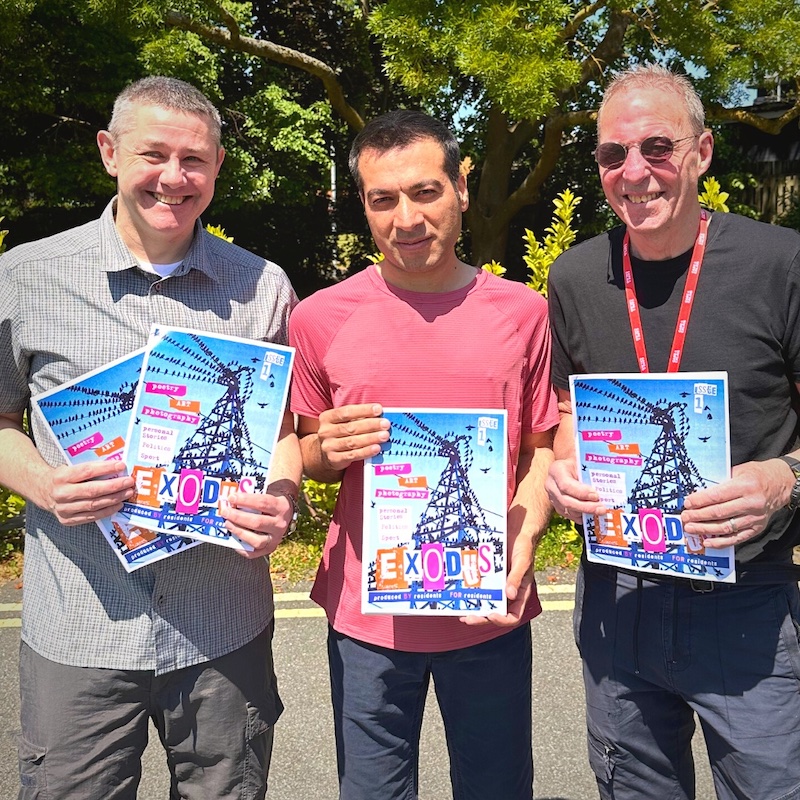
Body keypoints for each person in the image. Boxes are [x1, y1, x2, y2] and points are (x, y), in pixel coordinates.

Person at [0, 76, 301, 799]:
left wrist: (282, 501)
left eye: (193, 159)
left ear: (218, 166)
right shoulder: (25, 278)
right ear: (109, 152)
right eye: (153, 154)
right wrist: (43, 484)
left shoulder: (263, 287)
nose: (173, 177)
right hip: (81, 624)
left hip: (222, 623)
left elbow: (286, 430)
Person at [546, 64, 800, 800]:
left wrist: (784, 478)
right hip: (617, 597)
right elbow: (570, 413)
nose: (634, 172)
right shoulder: (574, 277)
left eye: (657, 147)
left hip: (746, 595)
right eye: (612, 154)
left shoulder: (781, 264)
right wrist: (564, 469)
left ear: (703, 152)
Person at [288, 109, 559, 800]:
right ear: (364, 207)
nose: (405, 218)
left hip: (489, 607)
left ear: (461, 189)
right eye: (383, 199)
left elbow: (541, 447)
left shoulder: (525, 313)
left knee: (497, 789)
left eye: (425, 192)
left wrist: (527, 535)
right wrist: (325, 451)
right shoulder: (317, 318)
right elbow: (305, 452)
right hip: (368, 620)